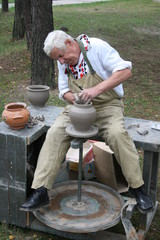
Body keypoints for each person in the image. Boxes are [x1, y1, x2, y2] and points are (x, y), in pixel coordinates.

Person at [20, 30, 153, 213]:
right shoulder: (64, 61)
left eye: (60, 56)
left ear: (69, 42)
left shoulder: (96, 48)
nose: (60, 62)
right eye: (57, 59)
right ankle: (41, 190)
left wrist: (96, 90)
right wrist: (73, 99)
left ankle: (138, 189)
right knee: (55, 133)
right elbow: (63, 90)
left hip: (108, 106)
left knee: (117, 134)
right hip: (79, 108)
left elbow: (125, 71)